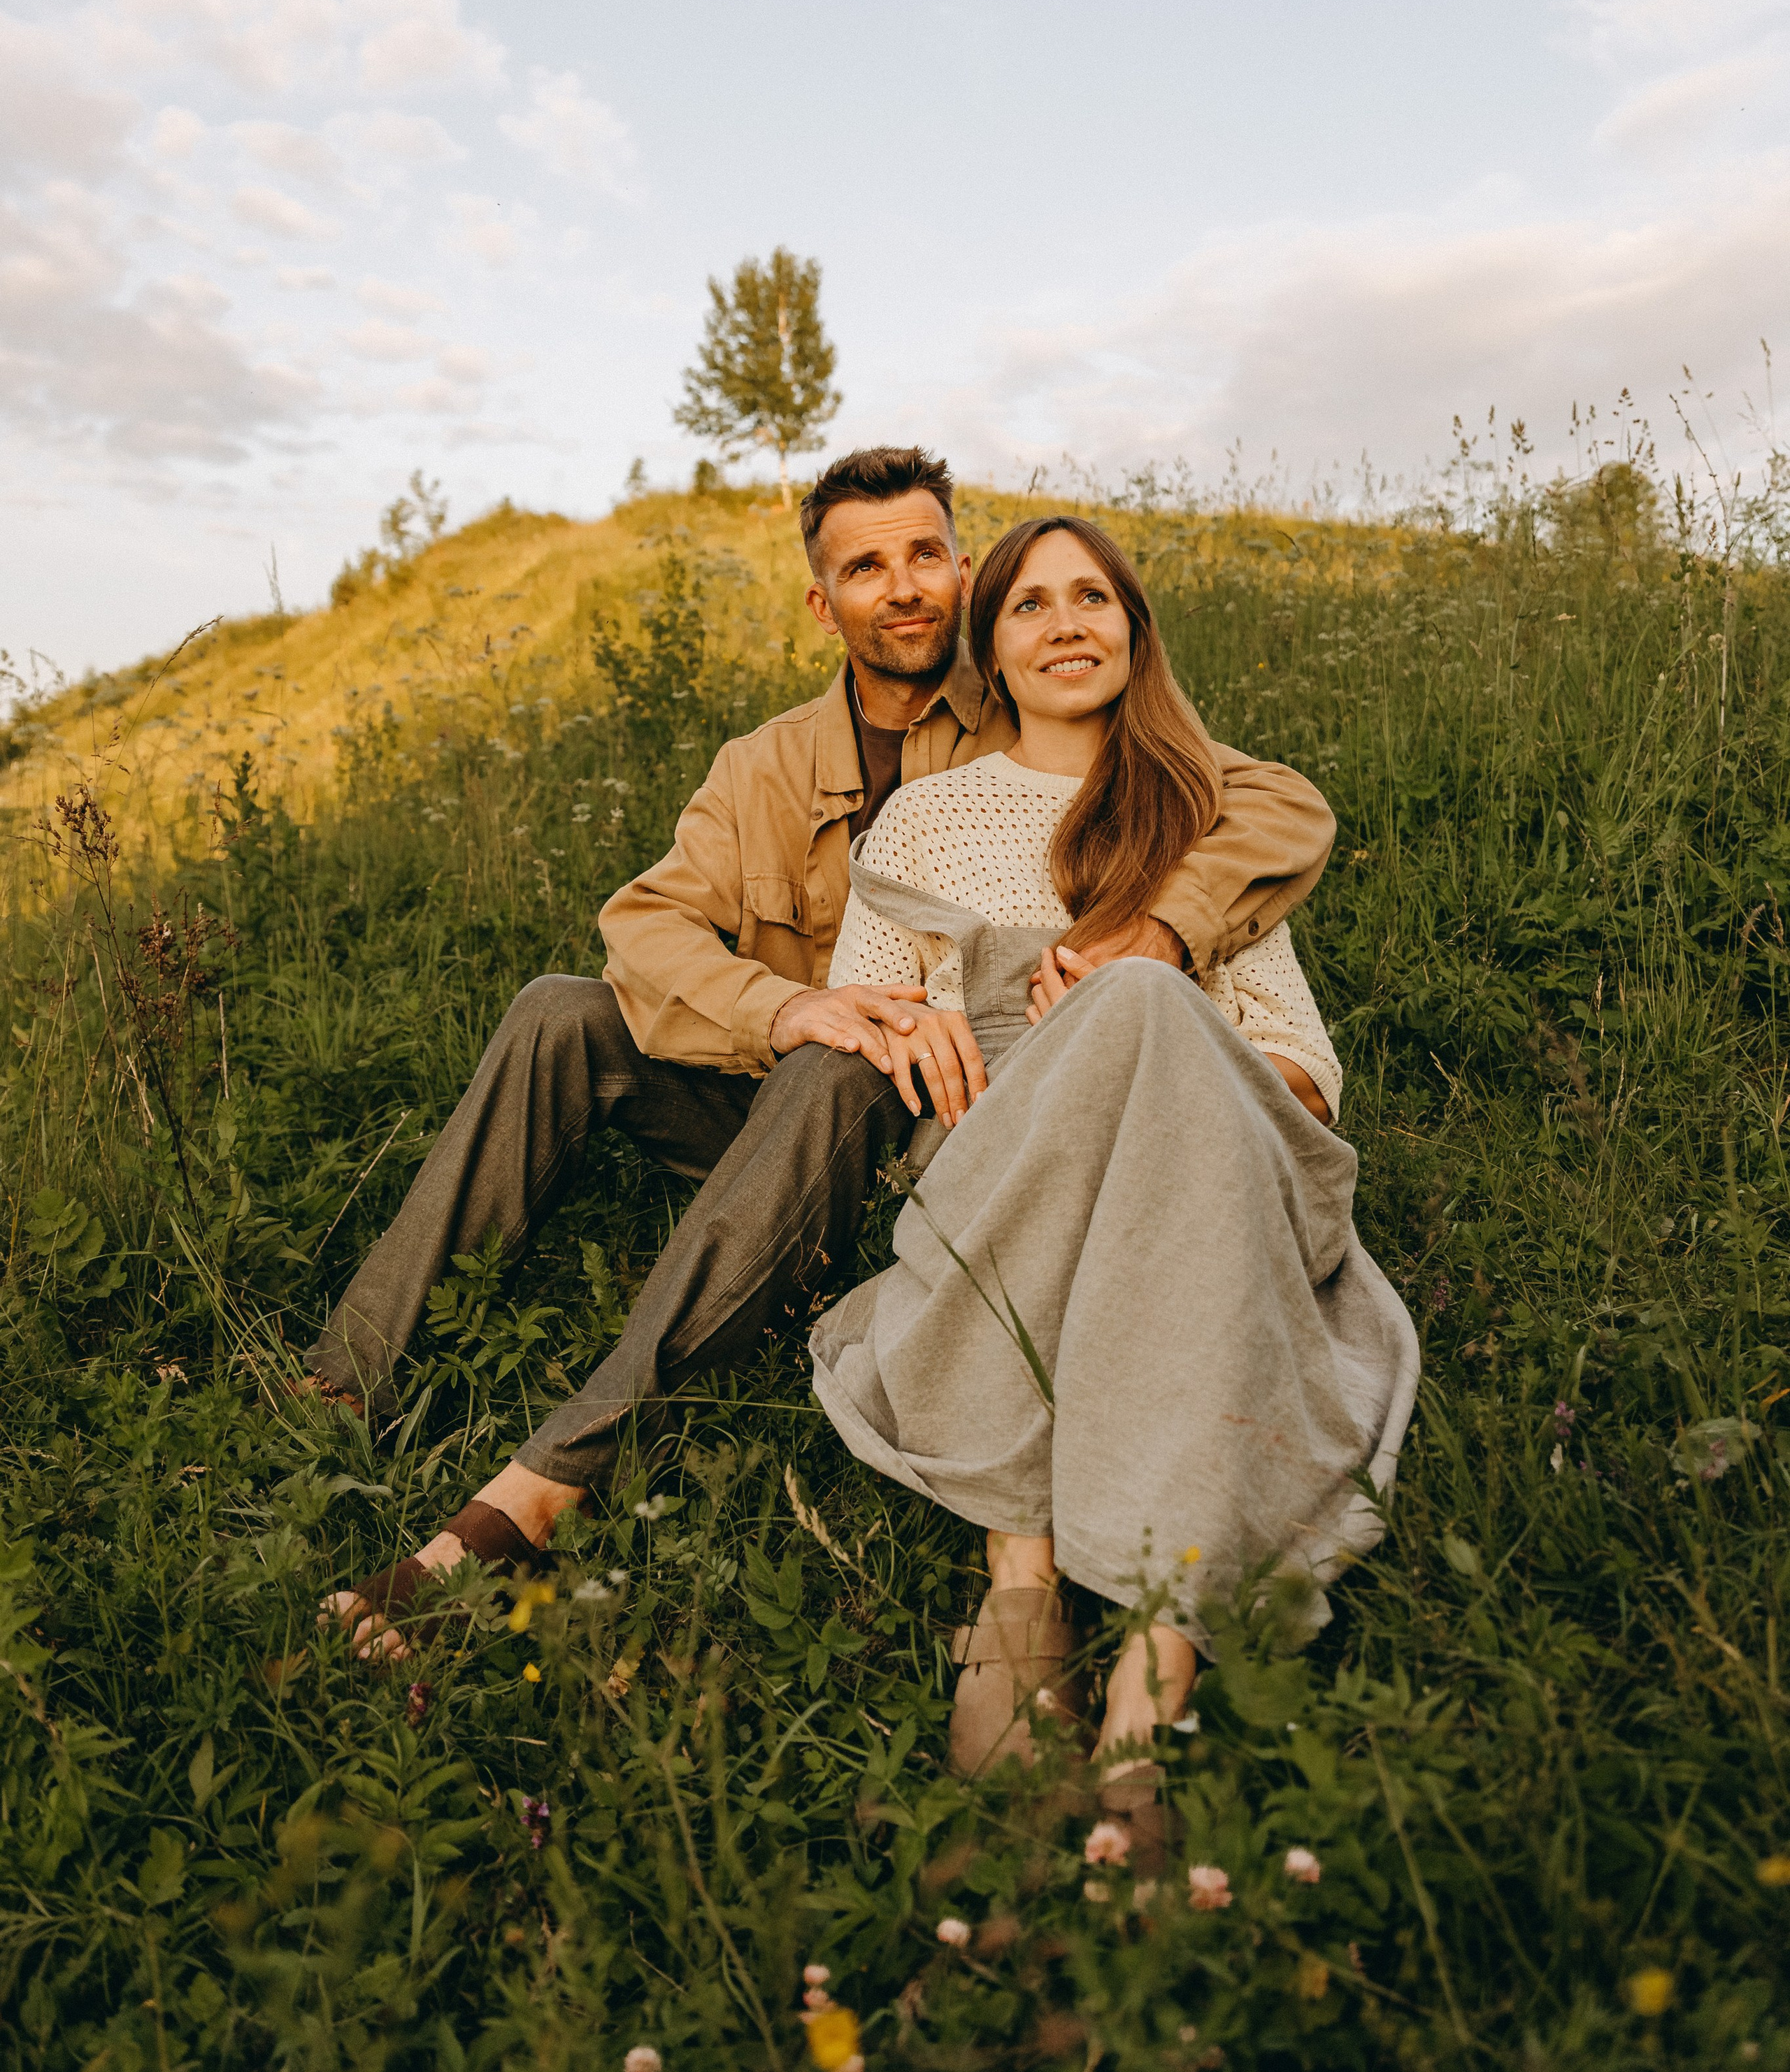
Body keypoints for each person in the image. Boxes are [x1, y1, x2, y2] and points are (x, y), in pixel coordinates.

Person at [323, 449, 1339, 1653]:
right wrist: (786, 1009)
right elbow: (642, 925)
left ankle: (558, 1469)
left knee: (849, 1067)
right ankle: (350, 1375)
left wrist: (1150, 935)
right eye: (866, 567)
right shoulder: (763, 765)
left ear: (964, 576)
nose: (902, 587)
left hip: (936, 1111)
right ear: (825, 602)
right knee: (561, 1008)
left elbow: (1257, 800)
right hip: (785, 1082)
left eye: (925, 557)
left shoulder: (1039, 709)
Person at [805, 514, 1419, 1855]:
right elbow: (873, 1015)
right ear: (995, 652)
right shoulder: (931, 818)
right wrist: (916, 1025)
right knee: (1120, 1020)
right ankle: (1028, 1568)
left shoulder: (1201, 812)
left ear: (1134, 634)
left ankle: (1135, 1686)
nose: (1067, 622)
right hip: (1008, 1148)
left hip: (1219, 1141)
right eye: (1030, 605)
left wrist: (1154, 1027)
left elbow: (1302, 1067)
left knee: (1143, 1003)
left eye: (1095, 598)